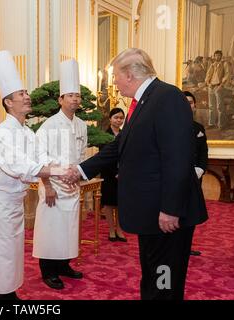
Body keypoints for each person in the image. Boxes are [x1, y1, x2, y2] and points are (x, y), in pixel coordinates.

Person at [65, 48, 208, 300]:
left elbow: (177, 157)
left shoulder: (167, 98)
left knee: (165, 277)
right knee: (153, 271)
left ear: (130, 74)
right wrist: (80, 169)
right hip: (151, 211)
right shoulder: (144, 101)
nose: (115, 84)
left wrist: (171, 208)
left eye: (116, 78)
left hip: (167, 214)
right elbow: (119, 146)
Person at [0, 50, 71, 300]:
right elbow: (22, 167)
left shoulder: (28, 133)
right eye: (22, 94)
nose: (28, 97)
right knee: (1, 255)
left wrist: (65, 168)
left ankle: (10, 295)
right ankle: (2, 299)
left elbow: (42, 160)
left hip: (15, 204)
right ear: (9, 102)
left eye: (26, 93)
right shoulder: (2, 134)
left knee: (12, 253)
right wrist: (62, 172)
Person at [32, 59, 87, 290]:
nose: (75, 99)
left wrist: (79, 177)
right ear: (60, 100)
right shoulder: (49, 126)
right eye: (70, 95)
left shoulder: (82, 125)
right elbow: (40, 159)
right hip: (53, 185)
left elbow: (82, 155)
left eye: (77, 95)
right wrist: (50, 185)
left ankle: (64, 264)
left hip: (72, 186)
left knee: (69, 228)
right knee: (51, 229)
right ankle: (48, 270)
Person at [183, 91, 208, 257]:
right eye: (184, 102)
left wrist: (199, 170)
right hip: (173, 180)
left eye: (190, 102)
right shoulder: (169, 126)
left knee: (190, 214)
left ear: (195, 106)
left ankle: (186, 247)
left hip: (194, 178)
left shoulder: (199, 128)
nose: (188, 105)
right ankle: (174, 246)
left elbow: (203, 153)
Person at [99, 107, 127, 242]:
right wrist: (115, 173)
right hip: (108, 174)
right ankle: (111, 229)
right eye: (116, 117)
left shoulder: (125, 134)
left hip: (123, 174)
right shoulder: (105, 135)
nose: (119, 120)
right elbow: (103, 157)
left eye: (121, 118)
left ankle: (120, 229)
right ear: (110, 119)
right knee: (109, 203)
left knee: (121, 203)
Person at [205, 50, 230, 129]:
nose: (217, 57)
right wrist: (208, 83)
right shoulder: (212, 65)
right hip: (211, 86)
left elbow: (227, 75)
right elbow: (208, 75)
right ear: (214, 56)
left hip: (219, 86)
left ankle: (221, 125)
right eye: (216, 55)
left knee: (219, 107)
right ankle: (211, 123)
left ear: (221, 56)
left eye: (219, 55)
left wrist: (221, 85)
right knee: (211, 106)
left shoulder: (224, 64)